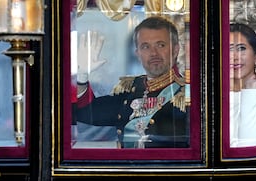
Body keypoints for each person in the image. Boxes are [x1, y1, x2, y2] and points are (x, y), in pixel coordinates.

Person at [72, 16, 189, 149]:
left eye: (160, 45)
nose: (153, 53)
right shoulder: (130, 89)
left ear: (175, 50)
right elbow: (85, 114)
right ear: (137, 53)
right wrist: (81, 77)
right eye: (145, 47)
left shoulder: (186, 95)